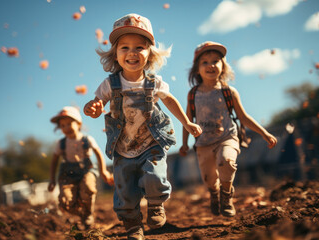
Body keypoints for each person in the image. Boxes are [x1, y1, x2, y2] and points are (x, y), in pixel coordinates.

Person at [84, 13, 202, 240]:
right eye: (124, 47)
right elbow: (96, 104)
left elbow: (169, 100)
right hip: (123, 147)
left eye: (139, 47)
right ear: (115, 54)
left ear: (149, 53)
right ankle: (133, 226)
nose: (132, 53)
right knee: (125, 192)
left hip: (151, 142)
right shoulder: (110, 84)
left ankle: (156, 204)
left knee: (154, 177)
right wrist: (93, 108)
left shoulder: (154, 82)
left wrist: (186, 122)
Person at [179, 41, 277, 217]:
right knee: (209, 180)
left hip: (227, 137)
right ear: (197, 69)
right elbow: (187, 120)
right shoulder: (193, 94)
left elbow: (243, 117)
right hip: (203, 144)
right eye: (205, 62)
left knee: (227, 161)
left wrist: (264, 133)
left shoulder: (228, 92)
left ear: (223, 66)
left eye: (215, 61)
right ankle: (215, 194)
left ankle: (226, 195)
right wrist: (185, 143)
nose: (211, 65)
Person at [48, 106, 113, 229]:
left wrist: (103, 170)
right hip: (68, 174)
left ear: (78, 123)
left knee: (88, 188)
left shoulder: (87, 139)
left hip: (86, 171)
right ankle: (81, 213)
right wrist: (52, 180)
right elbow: (54, 161)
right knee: (65, 202)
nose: (66, 128)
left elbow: (98, 153)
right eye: (62, 126)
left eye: (69, 124)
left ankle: (88, 213)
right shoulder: (61, 143)